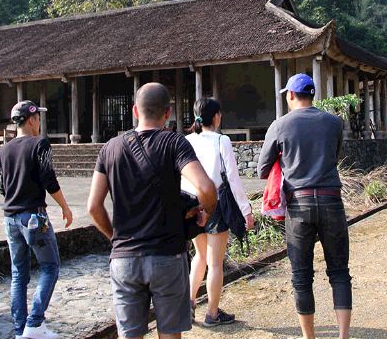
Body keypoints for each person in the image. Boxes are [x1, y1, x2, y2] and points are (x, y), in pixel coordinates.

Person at [87, 82, 217, 339]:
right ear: (168, 113)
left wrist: (115, 238)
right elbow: (205, 188)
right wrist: (206, 212)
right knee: (169, 333)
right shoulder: (173, 143)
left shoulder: (110, 148)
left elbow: (93, 207)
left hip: (125, 260)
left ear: (135, 110)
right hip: (167, 256)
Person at [257, 73, 352, 339]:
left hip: (298, 206)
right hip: (332, 200)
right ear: (312, 95)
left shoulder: (279, 125)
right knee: (340, 271)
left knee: (301, 275)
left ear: (290, 95)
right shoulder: (334, 123)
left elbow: (263, 169)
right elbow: (335, 156)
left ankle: (309, 337)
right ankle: (343, 336)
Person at [0, 100, 74, 339]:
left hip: (10, 217)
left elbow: (2, 188)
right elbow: (48, 178)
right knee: (50, 266)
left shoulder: (3, 150)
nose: (39, 121)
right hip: (33, 216)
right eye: (38, 117)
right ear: (31, 119)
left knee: (19, 274)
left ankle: (21, 330)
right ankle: (35, 322)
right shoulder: (40, 143)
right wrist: (65, 207)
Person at [183, 97, 254, 326]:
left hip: (193, 205)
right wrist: (246, 209)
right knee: (214, 263)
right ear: (216, 117)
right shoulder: (221, 141)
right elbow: (233, 179)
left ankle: (189, 304)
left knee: (199, 257)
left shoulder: (187, 141)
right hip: (215, 205)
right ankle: (212, 313)